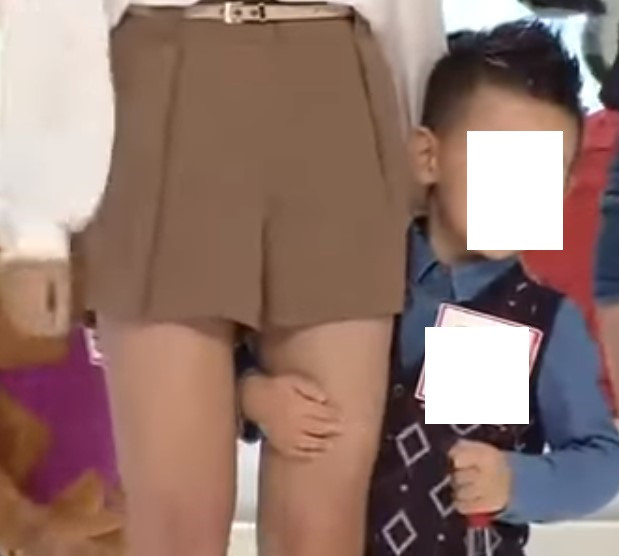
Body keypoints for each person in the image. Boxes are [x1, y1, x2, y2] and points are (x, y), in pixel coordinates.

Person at [0, 1, 446, 556]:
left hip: (338, 74)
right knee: (175, 524)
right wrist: (33, 222)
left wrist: (435, 150)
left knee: (324, 519)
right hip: (164, 72)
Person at [363, 21, 619, 556]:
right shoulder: (356, 274)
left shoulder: (545, 318)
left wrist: (518, 483)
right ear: (427, 157)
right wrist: (258, 399)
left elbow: (602, 458)